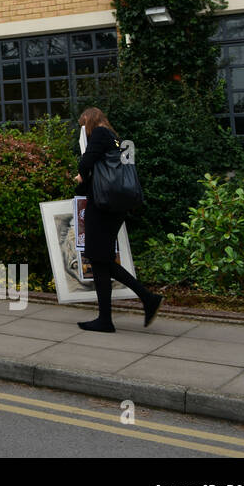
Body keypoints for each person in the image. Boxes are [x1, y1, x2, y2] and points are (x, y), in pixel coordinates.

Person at [73, 107, 162, 332]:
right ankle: (107, 319)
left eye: (83, 125)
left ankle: (146, 298)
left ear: (90, 122)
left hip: (102, 205)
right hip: (118, 204)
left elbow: (86, 163)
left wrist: (80, 176)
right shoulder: (116, 138)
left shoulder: (100, 135)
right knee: (101, 259)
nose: (83, 130)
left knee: (98, 257)